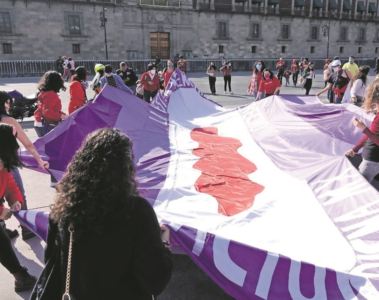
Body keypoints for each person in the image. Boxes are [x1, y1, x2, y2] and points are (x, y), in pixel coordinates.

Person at [33, 128, 172, 300]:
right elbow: (155, 281)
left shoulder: (65, 205)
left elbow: (52, 260)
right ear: (126, 166)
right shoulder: (137, 211)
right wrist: (164, 242)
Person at [0, 92, 49, 240]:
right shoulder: (9, 121)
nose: (10, 105)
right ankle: (27, 228)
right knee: (18, 196)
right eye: (8, 102)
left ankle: (3, 230)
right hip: (8, 164)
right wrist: (39, 160)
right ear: (4, 103)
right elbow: (27, 143)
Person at [0, 123, 37, 292]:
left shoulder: (3, 162)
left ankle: (21, 278)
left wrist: (16, 201)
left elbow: (9, 185)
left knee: (2, 242)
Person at [346, 79, 379, 182]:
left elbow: (374, 136)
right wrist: (355, 149)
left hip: (372, 161)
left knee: (360, 189)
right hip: (372, 160)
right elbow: (372, 134)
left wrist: (363, 128)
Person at [34, 71, 68, 138]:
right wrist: (61, 116)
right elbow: (48, 112)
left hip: (40, 123)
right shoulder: (51, 94)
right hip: (47, 125)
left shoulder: (44, 92)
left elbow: (50, 109)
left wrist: (63, 115)